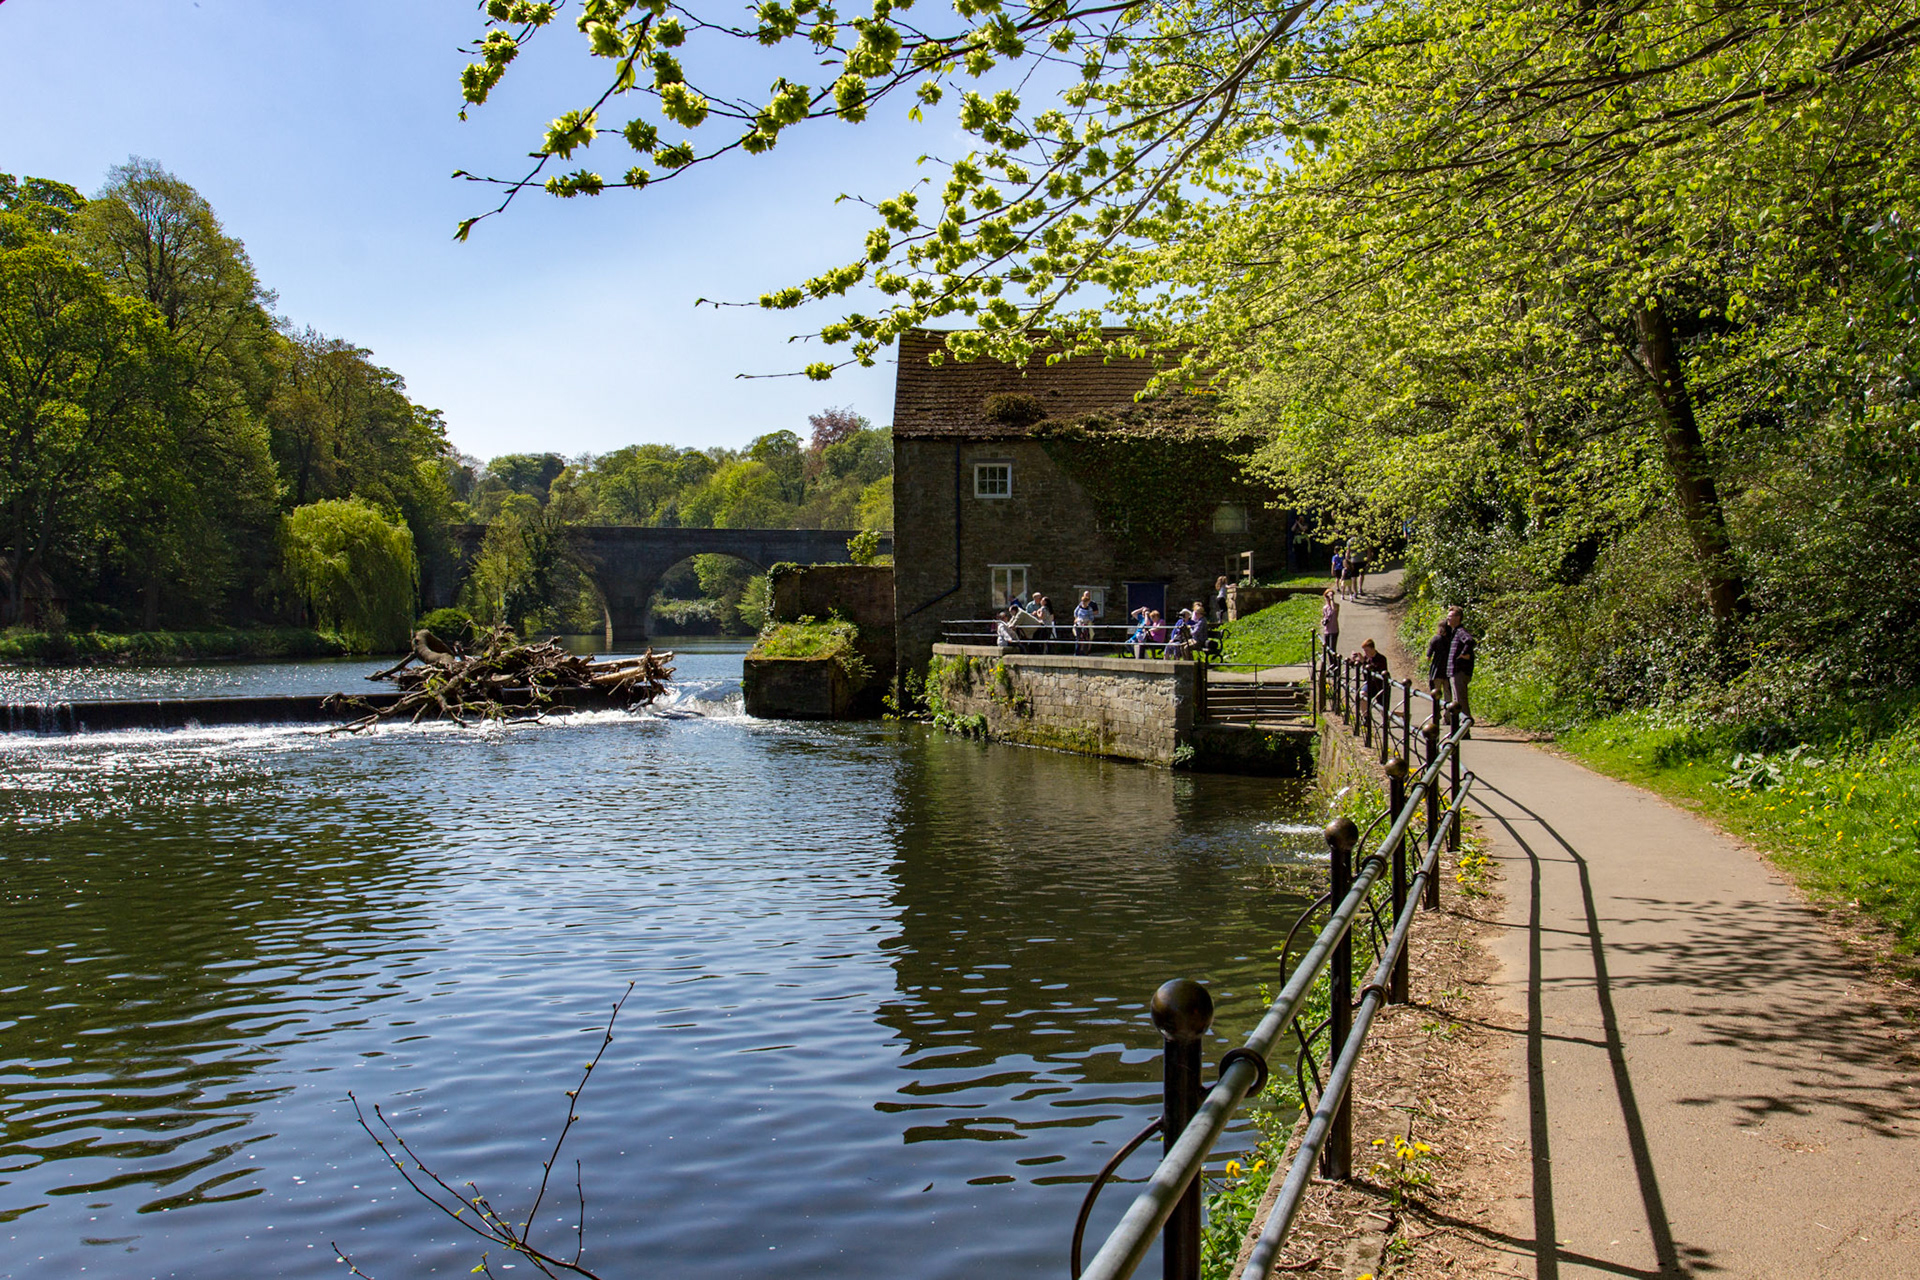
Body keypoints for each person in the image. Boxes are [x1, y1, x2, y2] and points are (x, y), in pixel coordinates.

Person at [1446, 605, 1476, 731]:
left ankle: (1464, 729)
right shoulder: (1454, 632)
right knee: (1457, 701)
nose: (1448, 618)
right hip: (1454, 672)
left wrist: (1464, 654)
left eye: (1451, 616)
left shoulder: (1460, 632)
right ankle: (1462, 729)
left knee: (1460, 701)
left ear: (1458, 618)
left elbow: (1470, 641)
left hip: (1459, 672)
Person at [1425, 613, 1456, 708]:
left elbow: (1428, 656)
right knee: (1448, 695)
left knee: (1436, 694)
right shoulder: (1452, 639)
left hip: (1437, 671)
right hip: (1448, 671)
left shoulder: (1436, 639)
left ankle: (1436, 713)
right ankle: (1448, 717)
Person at [1352, 637, 1389, 702]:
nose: (1365, 652)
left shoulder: (1381, 658)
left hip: (1379, 686)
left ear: (1373, 649)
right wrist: (1353, 660)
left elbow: (1375, 668)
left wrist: (1364, 662)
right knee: (1361, 696)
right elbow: (1355, 664)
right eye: (1364, 650)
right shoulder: (1366, 657)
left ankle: (1402, 712)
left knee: (1383, 710)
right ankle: (1365, 712)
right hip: (1369, 684)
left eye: (1367, 650)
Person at [1320, 588, 1340, 666]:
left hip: (1334, 630)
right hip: (1327, 630)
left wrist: (1331, 599)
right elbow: (1324, 616)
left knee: (1332, 649)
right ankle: (1332, 665)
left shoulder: (1336, 605)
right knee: (1327, 650)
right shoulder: (1325, 608)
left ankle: (1335, 665)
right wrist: (1323, 621)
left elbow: (1334, 608)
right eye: (1327, 597)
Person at [1073, 591, 1097, 655]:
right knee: (1078, 637)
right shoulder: (1079, 607)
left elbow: (1091, 617)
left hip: (1086, 624)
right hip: (1079, 624)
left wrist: (1088, 620)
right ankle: (1077, 652)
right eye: (1083, 602)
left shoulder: (1089, 608)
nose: (1083, 603)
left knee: (1085, 637)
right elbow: (1075, 613)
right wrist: (1076, 619)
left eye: (1084, 602)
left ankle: (1084, 651)